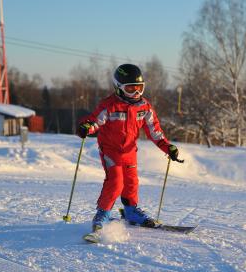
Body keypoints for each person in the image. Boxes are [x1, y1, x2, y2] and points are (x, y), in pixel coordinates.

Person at [76, 63, 180, 232]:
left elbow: (155, 131)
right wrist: (86, 127)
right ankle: (102, 214)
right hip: (111, 150)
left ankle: (131, 211)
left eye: (139, 88)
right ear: (118, 87)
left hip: (130, 151)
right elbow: (95, 121)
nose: (136, 93)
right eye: (131, 89)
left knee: (131, 182)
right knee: (116, 182)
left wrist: (168, 148)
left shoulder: (144, 107)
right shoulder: (109, 105)